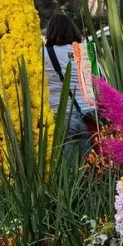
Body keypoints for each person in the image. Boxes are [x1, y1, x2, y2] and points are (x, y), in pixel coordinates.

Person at [43, 14, 94, 153]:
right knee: (94, 164)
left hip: (60, 115)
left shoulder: (43, 54)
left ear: (50, 32)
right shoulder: (86, 51)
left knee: (68, 169)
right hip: (89, 114)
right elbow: (99, 83)